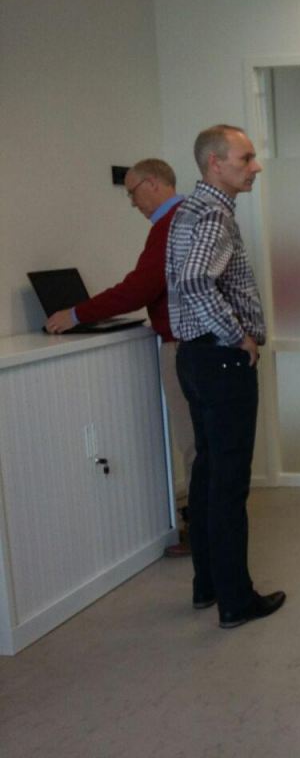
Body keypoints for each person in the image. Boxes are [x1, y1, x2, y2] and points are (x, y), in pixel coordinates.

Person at [166, 124, 285, 629]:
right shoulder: (215, 213)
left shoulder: (188, 209)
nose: (255, 167)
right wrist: (238, 336)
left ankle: (208, 586)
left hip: (194, 359)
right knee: (229, 484)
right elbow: (196, 281)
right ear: (215, 163)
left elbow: (185, 281)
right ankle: (237, 601)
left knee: (209, 473)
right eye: (246, 158)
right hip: (220, 361)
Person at [45, 158, 195, 558]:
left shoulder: (169, 225)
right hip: (197, 344)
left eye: (132, 192)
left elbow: (139, 289)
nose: (132, 202)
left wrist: (76, 314)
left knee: (195, 445)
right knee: (203, 444)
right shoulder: (189, 218)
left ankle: (202, 533)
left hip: (183, 347)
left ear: (153, 183)